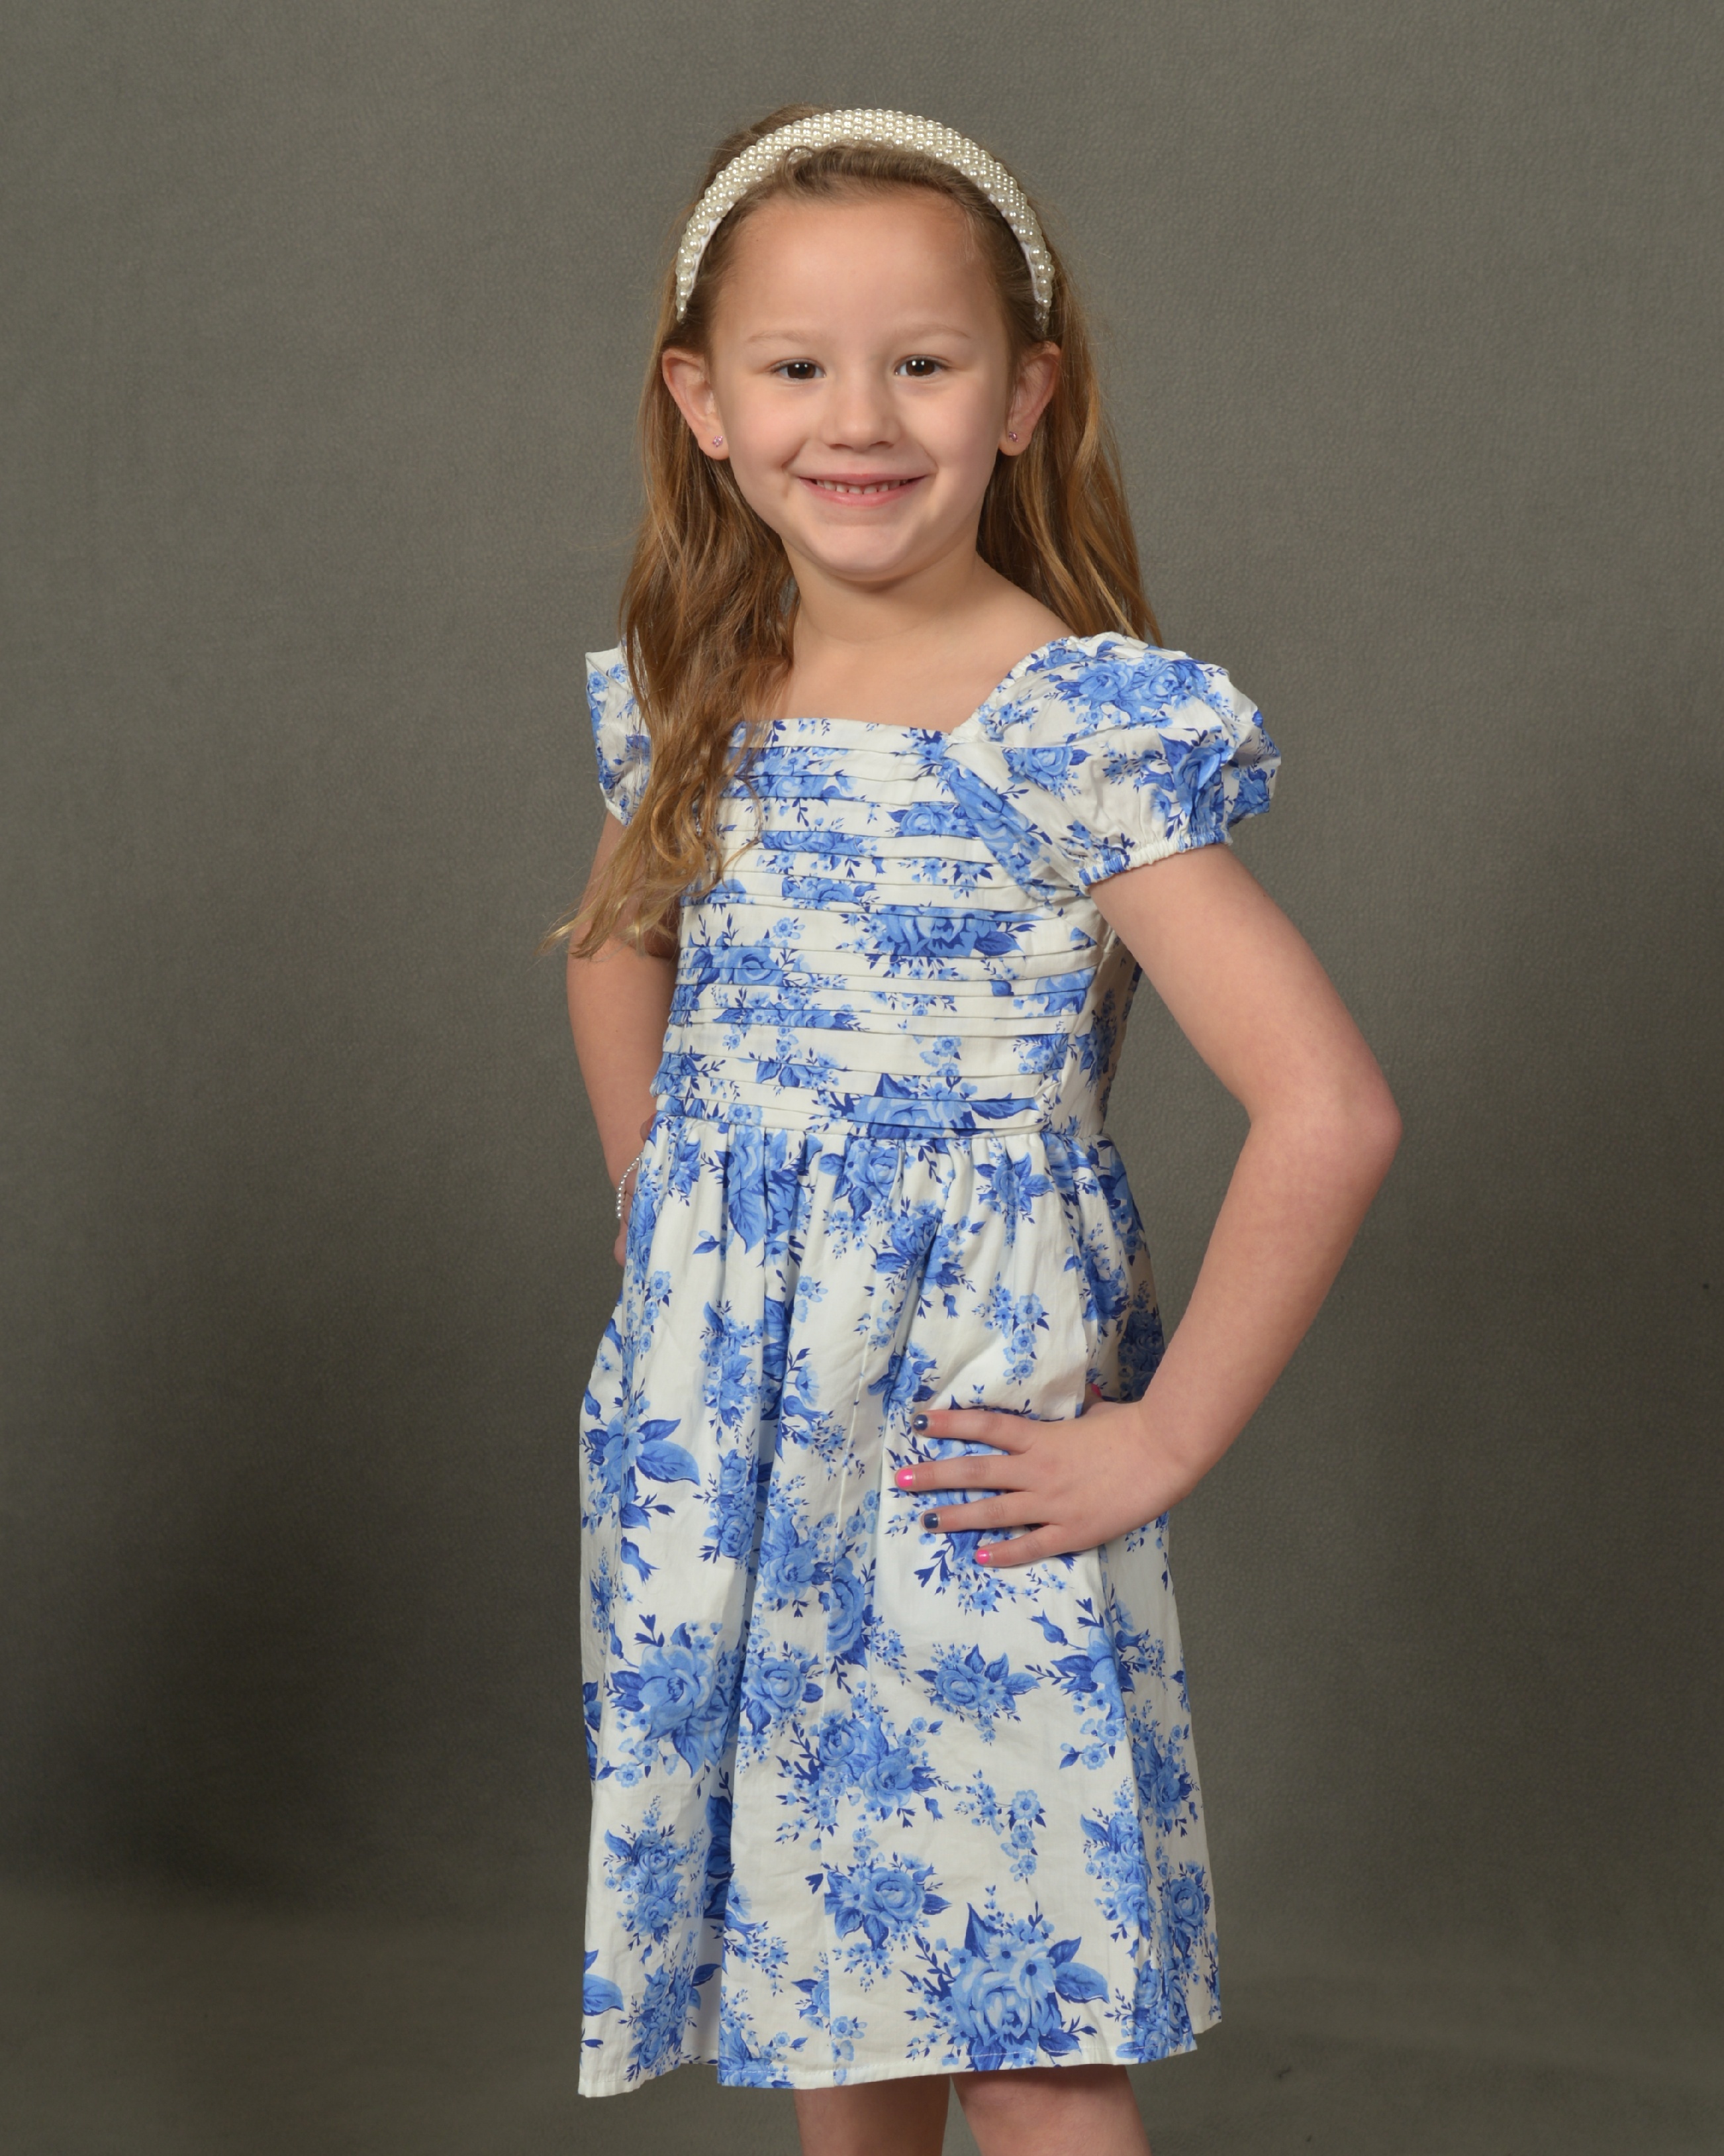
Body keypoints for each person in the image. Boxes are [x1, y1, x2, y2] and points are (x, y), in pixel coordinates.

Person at [555, 105, 1400, 2156]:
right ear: (704, 405)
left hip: (965, 1437)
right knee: (830, 1989)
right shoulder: (706, 690)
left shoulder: (1063, 723)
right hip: (730, 1427)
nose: (857, 419)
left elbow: (1326, 1109)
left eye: (920, 363)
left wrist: (1160, 1438)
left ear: (1023, 397)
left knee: (1018, 2027)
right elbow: (612, 946)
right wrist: (676, 1232)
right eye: (796, 366)